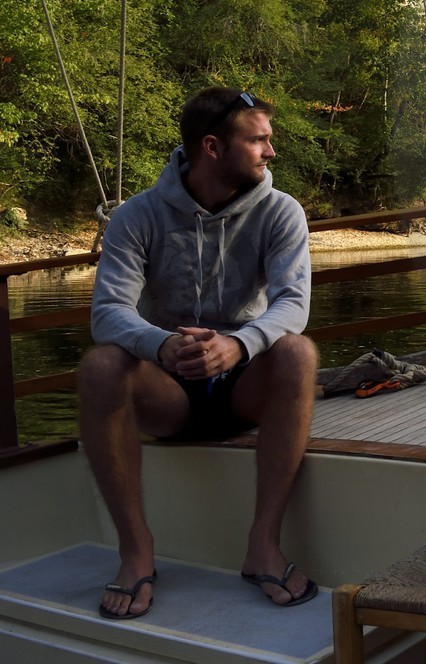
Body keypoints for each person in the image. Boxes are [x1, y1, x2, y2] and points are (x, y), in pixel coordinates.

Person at [79, 87, 318, 619]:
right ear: (212, 147)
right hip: (169, 388)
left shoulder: (281, 213)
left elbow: (292, 304)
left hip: (244, 385)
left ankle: (264, 544)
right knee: (101, 365)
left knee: (298, 353)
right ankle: (136, 551)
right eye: (258, 141)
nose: (271, 153)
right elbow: (107, 313)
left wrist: (237, 345)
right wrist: (161, 345)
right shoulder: (136, 216)